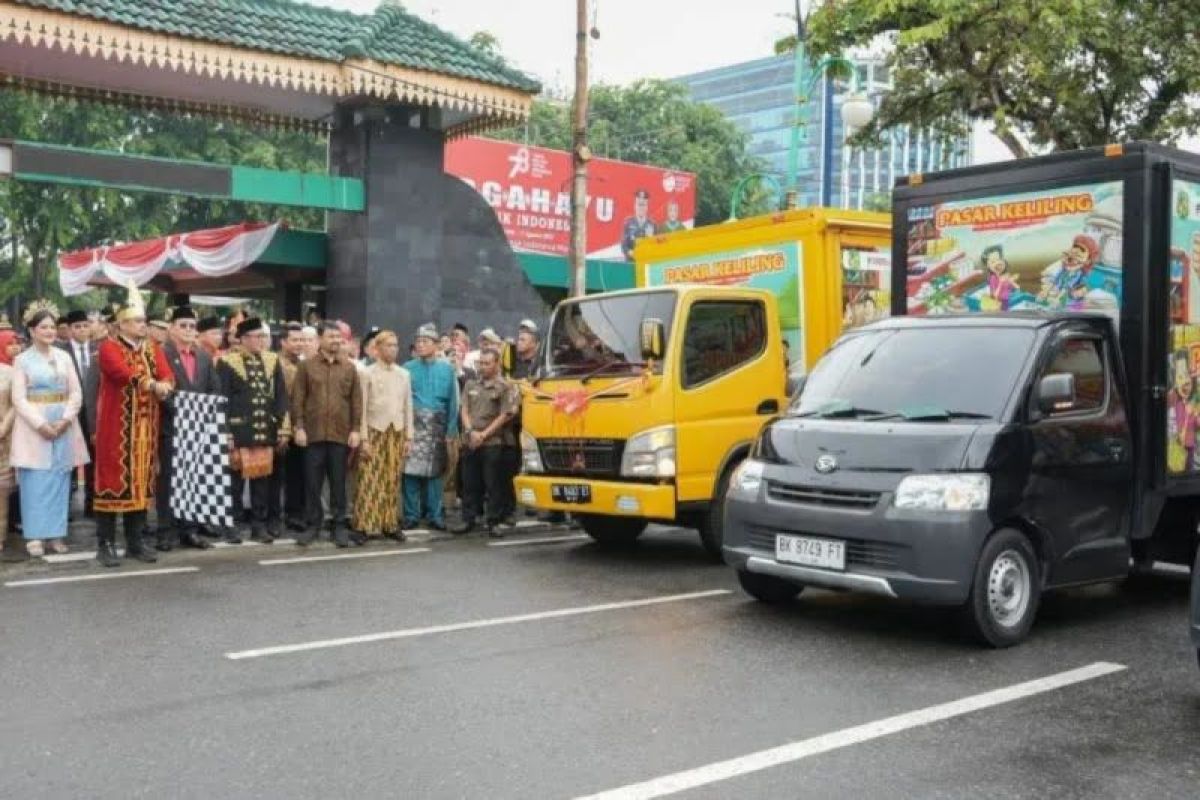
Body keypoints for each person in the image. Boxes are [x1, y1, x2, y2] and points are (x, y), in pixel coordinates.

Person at [93, 284, 173, 567]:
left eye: (144, 321)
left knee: (140, 483)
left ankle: (135, 542)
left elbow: (167, 374)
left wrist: (165, 384)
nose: (144, 326)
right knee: (113, 483)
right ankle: (105, 543)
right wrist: (152, 384)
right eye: (138, 321)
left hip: (146, 430)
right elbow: (121, 373)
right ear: (123, 323)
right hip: (116, 430)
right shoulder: (109, 348)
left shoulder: (153, 349)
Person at [12, 304, 90, 558]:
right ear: (32, 331)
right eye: (43, 327)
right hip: (35, 426)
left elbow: (76, 392)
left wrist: (66, 419)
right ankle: (35, 535)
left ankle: (56, 534)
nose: (49, 331)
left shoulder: (64, 356)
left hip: (63, 424)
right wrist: (41, 424)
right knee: (35, 481)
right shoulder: (22, 360)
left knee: (59, 480)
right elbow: (19, 398)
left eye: (52, 327)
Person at [217, 317, 290, 543]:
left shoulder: (271, 360)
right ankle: (233, 525)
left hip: (263, 430)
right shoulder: (227, 362)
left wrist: (281, 428)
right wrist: (226, 432)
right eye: (258, 336)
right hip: (239, 432)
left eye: (263, 336)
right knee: (234, 483)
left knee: (262, 483)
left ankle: (259, 526)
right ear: (244, 339)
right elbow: (222, 400)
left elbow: (280, 396)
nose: (262, 341)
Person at [155, 306, 222, 551]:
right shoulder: (160, 353)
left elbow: (214, 388)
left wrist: (203, 414)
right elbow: (162, 391)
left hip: (199, 428)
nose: (188, 330)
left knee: (194, 480)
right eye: (182, 325)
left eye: (192, 326)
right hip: (172, 426)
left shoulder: (203, 356)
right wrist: (185, 412)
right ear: (171, 328)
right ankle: (166, 531)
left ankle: (190, 530)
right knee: (169, 483)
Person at [291, 321, 362, 547]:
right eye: (331, 336)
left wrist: (356, 430)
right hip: (313, 434)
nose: (336, 341)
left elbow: (356, 402)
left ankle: (339, 525)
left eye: (338, 337)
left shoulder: (349, 367)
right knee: (312, 483)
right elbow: (297, 400)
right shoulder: (307, 367)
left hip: (341, 435)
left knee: (339, 484)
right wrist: (298, 427)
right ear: (320, 339)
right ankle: (313, 525)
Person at [352, 330, 413, 540]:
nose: (393, 349)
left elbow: (408, 407)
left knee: (392, 479)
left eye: (396, 345)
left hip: (396, 431)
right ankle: (363, 526)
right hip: (374, 430)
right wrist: (364, 439)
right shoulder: (366, 373)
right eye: (388, 345)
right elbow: (361, 408)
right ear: (376, 349)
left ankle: (390, 523)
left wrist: (408, 437)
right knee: (369, 479)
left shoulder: (403, 374)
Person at [452, 349, 519, 538]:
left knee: (493, 483)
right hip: (471, 439)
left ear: (497, 364)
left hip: (492, 441)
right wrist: (470, 431)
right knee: (469, 482)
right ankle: (469, 518)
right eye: (481, 363)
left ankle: (494, 521)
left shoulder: (504, 386)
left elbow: (504, 415)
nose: (483, 366)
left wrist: (484, 434)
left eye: (487, 363)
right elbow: (464, 409)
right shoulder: (471, 384)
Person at [402, 324, 459, 531]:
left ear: (436, 345)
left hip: (438, 425)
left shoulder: (447, 369)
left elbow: (454, 401)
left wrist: (451, 430)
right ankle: (411, 515)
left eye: (425, 341)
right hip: (414, 425)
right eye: (418, 341)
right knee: (409, 472)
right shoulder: (407, 368)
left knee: (435, 474)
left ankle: (435, 515)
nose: (420, 344)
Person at [56, 308, 97, 515]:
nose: (82, 330)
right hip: (69, 412)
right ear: (70, 330)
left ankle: (93, 503)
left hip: (94, 411)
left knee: (94, 457)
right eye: (77, 327)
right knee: (68, 458)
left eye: (85, 326)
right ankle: (66, 506)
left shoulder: (99, 348)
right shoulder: (59, 351)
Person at [279, 322, 307, 531]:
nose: (299, 344)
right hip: (283, 425)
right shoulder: (276, 364)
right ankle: (287, 514)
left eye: (302, 340)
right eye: (295, 340)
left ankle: (300, 512)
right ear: (283, 342)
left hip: (303, 425)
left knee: (302, 472)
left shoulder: (304, 364)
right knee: (286, 473)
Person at [0, 327, 21, 561]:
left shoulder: (10, 372)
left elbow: (17, 402)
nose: (12, 348)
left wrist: (4, 426)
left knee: (2, 490)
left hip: (6, 437)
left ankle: (1, 536)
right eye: (8, 343)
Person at [620, 188, 657, 260]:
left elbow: (656, 246)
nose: (641, 207)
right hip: (630, 263)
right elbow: (623, 245)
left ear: (647, 207)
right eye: (639, 204)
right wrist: (631, 253)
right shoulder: (628, 222)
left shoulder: (653, 225)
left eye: (644, 205)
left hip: (646, 263)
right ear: (634, 206)